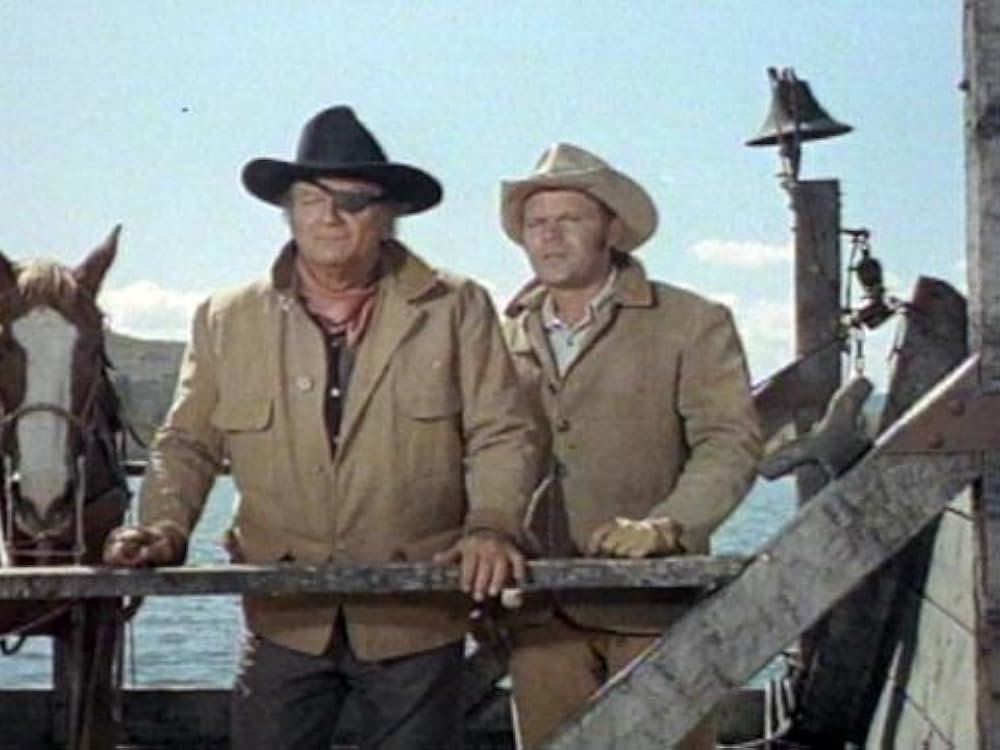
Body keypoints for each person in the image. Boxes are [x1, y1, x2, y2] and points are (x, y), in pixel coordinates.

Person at [104, 105, 543, 750]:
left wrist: (492, 525)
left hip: (417, 611)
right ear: (288, 211)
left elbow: (501, 431)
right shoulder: (228, 317)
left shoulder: (456, 306)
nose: (329, 216)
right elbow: (188, 442)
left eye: (352, 201)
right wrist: (163, 528)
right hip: (284, 614)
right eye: (311, 199)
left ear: (388, 214)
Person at [499, 143, 762, 749]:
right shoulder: (500, 333)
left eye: (570, 219)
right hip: (539, 614)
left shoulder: (691, 321)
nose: (550, 236)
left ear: (612, 230)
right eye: (537, 223)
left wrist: (668, 525)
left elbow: (729, 443)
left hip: (654, 609)